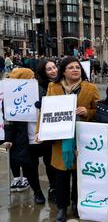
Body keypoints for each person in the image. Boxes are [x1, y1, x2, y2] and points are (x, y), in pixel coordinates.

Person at [45, 56, 100, 222]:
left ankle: (77, 203)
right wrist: (41, 132)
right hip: (60, 138)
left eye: (77, 67)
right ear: (63, 71)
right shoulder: (53, 87)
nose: (75, 69)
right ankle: (62, 207)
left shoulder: (90, 88)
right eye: (71, 67)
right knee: (61, 175)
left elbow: (100, 110)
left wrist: (88, 112)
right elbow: (46, 111)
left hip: (81, 138)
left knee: (78, 175)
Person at [3, 68, 46, 204]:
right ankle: (37, 192)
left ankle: (53, 190)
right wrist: (8, 139)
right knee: (30, 167)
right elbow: (8, 121)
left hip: (43, 135)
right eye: (31, 77)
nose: (34, 79)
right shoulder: (10, 97)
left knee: (50, 165)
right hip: (25, 138)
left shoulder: (40, 90)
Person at [31, 59, 59, 202]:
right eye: (49, 69)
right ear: (43, 72)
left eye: (54, 67)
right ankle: (38, 191)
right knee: (35, 162)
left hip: (52, 129)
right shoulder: (35, 87)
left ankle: (53, 188)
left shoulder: (60, 83)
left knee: (50, 161)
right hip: (36, 129)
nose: (53, 71)